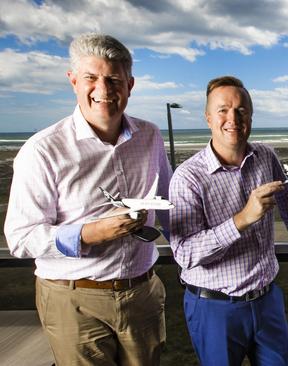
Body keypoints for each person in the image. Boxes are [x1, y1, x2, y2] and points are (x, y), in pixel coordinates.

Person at [4, 33, 171, 365]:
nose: (104, 90)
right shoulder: (43, 150)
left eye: (113, 79)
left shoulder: (150, 135)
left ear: (130, 84)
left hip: (142, 294)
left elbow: (168, 203)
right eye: (91, 78)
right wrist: (88, 234)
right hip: (75, 299)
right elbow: (19, 239)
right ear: (73, 81)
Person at [169, 76, 288, 366]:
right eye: (223, 110)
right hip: (214, 307)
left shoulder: (265, 155)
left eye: (241, 110)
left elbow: (286, 193)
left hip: (266, 300)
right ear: (208, 117)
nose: (232, 118)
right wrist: (242, 220)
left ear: (250, 116)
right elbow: (184, 254)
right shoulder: (188, 177)